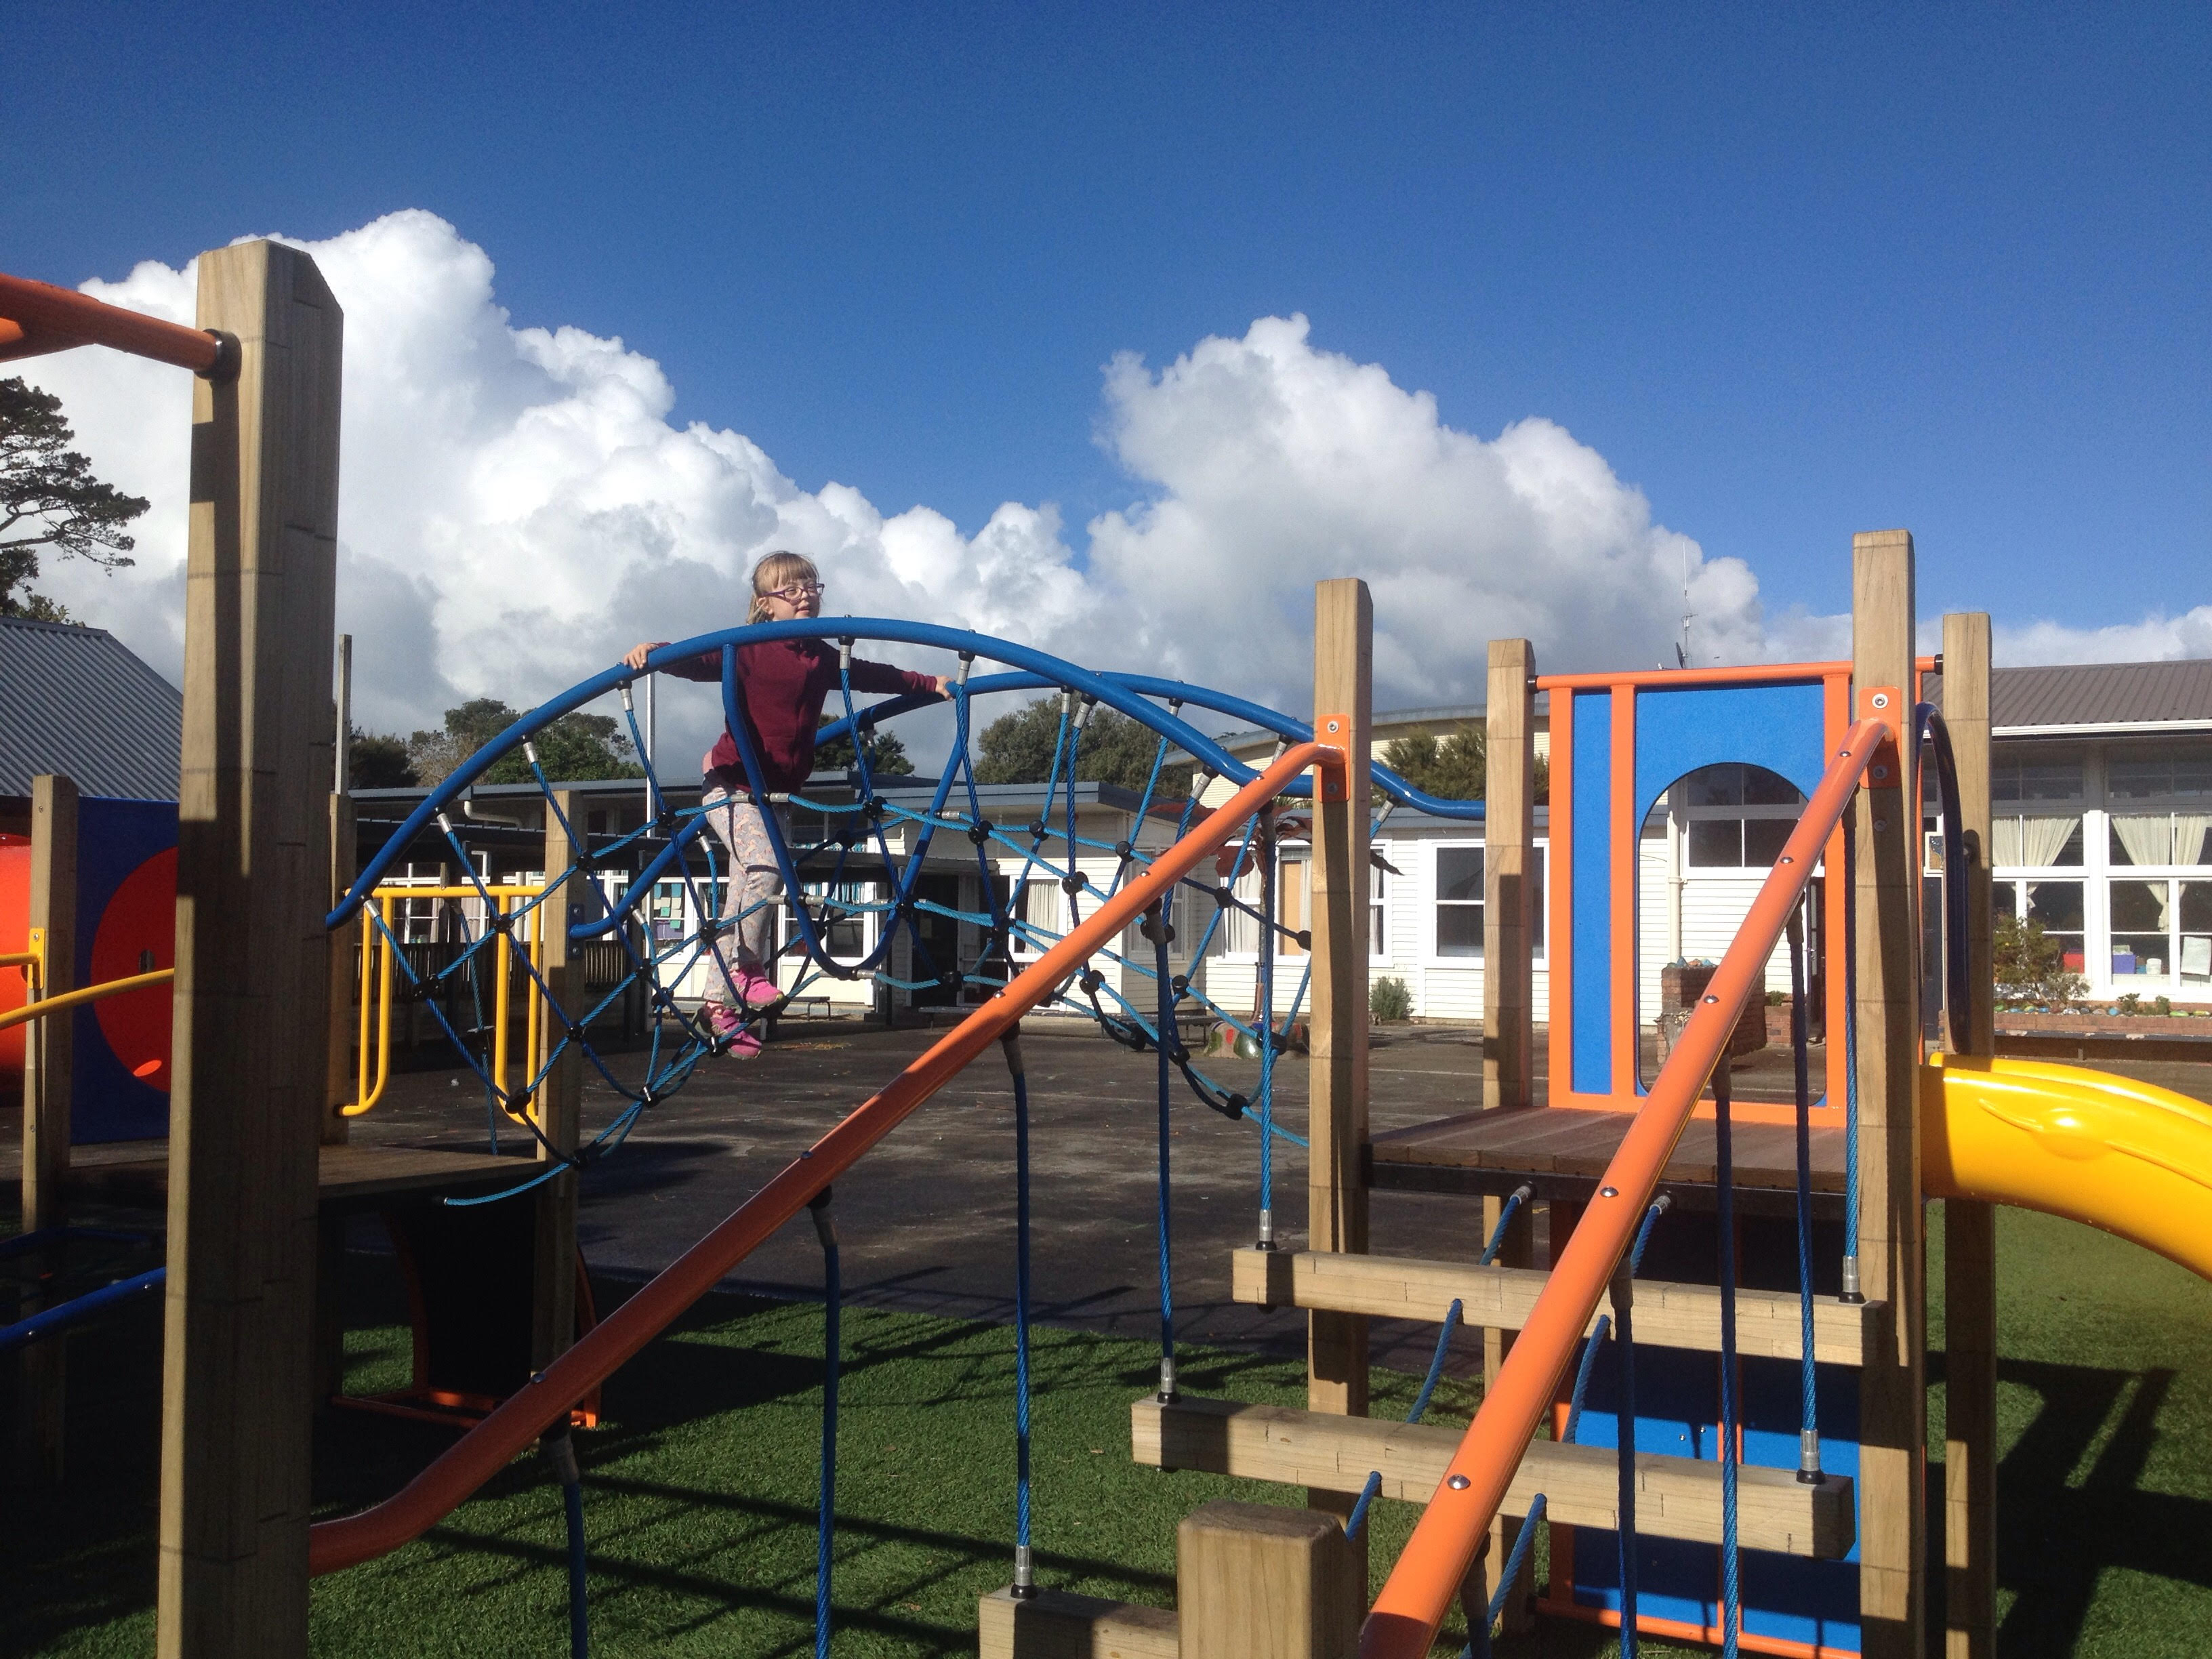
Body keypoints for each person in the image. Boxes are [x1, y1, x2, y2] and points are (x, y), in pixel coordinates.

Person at [623, 551, 949, 1056]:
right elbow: (698, 659)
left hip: (774, 795)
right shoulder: (748, 649)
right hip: (730, 784)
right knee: (766, 867)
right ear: (763, 604)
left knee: (746, 891)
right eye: (788, 590)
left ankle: (719, 1008)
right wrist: (656, 651)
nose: (803, 595)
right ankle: (744, 971)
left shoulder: (820, 658)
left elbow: (872, 674)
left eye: (810, 586)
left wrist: (929, 684)